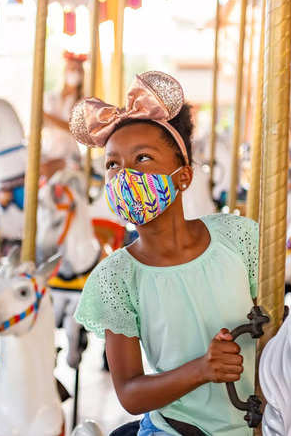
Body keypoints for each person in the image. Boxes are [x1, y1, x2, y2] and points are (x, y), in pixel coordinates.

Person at [71, 71, 259, 436]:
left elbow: (275, 332)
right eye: (112, 164)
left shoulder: (238, 237)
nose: (125, 175)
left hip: (259, 422)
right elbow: (129, 392)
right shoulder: (117, 277)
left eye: (142, 158)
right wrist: (201, 370)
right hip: (175, 428)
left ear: (183, 177)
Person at [41, 51, 86, 173]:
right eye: (72, 69)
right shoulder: (50, 97)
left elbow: (73, 129)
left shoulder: (82, 101)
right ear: (65, 71)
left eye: (78, 70)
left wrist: (47, 116)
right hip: (48, 149)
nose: (75, 73)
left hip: (68, 153)